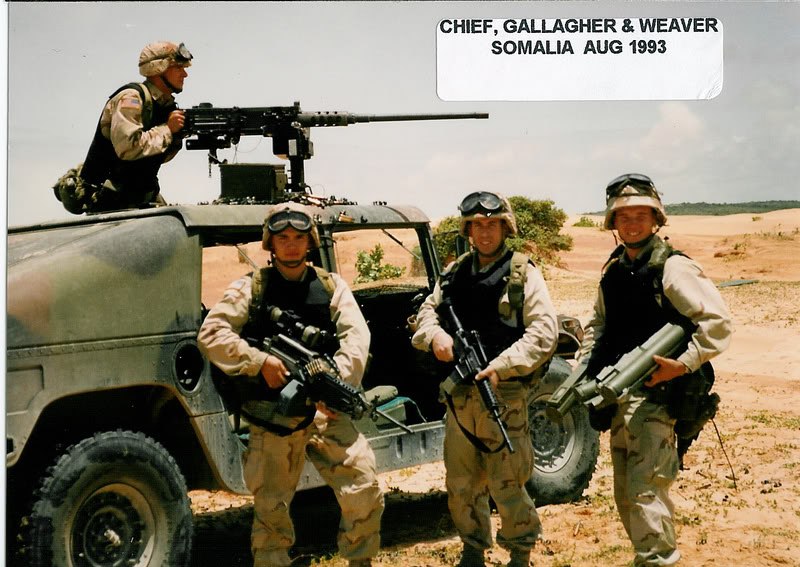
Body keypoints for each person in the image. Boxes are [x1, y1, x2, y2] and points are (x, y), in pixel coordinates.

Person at [197, 202, 383, 567]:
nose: (291, 245)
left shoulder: (331, 286)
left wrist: (335, 385)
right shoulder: (251, 287)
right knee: (271, 512)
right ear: (270, 244)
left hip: (324, 412)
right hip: (274, 416)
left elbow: (357, 339)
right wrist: (259, 361)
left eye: (299, 237)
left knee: (364, 486)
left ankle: (360, 560)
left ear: (310, 241)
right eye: (282, 238)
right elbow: (212, 333)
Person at [577, 173, 733, 566]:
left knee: (646, 491)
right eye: (624, 216)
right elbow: (599, 324)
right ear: (613, 222)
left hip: (658, 397)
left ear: (655, 219)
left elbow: (717, 323)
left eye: (641, 215)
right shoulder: (615, 270)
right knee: (626, 494)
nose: (632, 223)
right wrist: (585, 370)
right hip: (619, 396)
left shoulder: (673, 267)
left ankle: (659, 560)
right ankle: (648, 558)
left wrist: (682, 364)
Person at [411, 191, 558, 567]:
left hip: (502, 395)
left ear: (505, 227)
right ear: (468, 230)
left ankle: (520, 552)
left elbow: (544, 333)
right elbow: (426, 312)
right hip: (460, 399)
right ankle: (473, 548)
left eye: (492, 224)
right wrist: (436, 336)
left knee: (508, 481)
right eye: (478, 225)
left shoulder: (523, 273)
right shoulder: (453, 273)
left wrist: (502, 366)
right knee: (461, 483)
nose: (485, 232)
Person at [56, 41, 192, 213]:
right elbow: (128, 148)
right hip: (110, 199)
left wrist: (176, 136)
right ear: (159, 68)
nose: (185, 74)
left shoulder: (164, 105)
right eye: (178, 67)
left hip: (138, 195)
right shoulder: (131, 98)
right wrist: (167, 129)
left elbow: (153, 158)